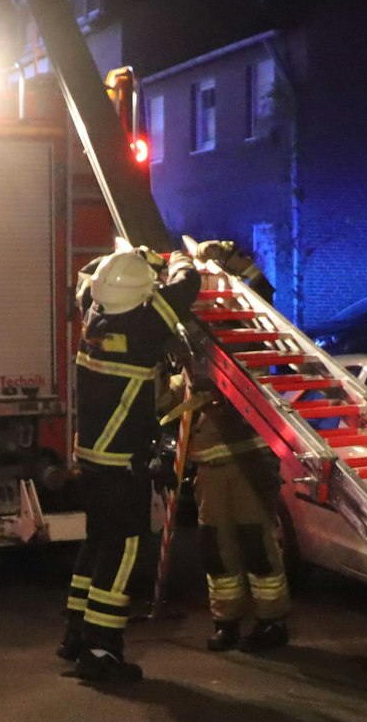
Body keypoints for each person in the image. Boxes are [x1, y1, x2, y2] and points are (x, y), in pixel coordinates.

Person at [59, 245, 200, 683]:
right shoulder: (144, 323)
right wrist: (177, 258)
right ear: (142, 294)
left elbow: (88, 273)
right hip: (122, 462)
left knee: (97, 543)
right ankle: (101, 651)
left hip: (93, 458)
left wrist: (133, 256)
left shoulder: (93, 313)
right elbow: (187, 286)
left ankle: (76, 635)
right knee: (122, 551)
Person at [182, 240, 291, 653]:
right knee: (216, 549)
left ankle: (271, 622)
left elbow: (262, 291)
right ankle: (226, 621)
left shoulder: (249, 326)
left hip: (248, 458)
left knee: (255, 544)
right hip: (208, 464)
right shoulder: (194, 332)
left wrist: (227, 260)